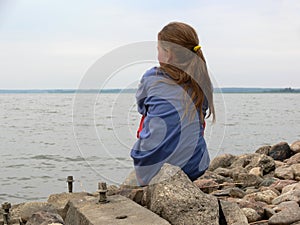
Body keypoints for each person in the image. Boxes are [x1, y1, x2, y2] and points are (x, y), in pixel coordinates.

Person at [130, 22, 216, 186]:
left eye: (159, 50)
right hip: (194, 168)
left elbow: (142, 107)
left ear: (168, 53)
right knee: (195, 118)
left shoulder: (151, 77)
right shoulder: (203, 82)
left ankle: (155, 159)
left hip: (148, 173)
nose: (158, 54)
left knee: (148, 117)